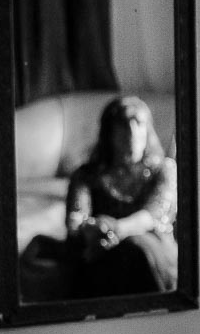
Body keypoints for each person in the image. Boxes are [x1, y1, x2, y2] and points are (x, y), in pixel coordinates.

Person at [63, 95, 178, 297]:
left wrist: (114, 230)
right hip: (102, 254)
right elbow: (76, 221)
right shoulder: (86, 175)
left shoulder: (163, 170)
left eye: (139, 124)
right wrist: (95, 230)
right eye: (123, 125)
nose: (132, 133)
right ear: (109, 133)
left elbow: (151, 215)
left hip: (152, 253)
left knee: (136, 249)